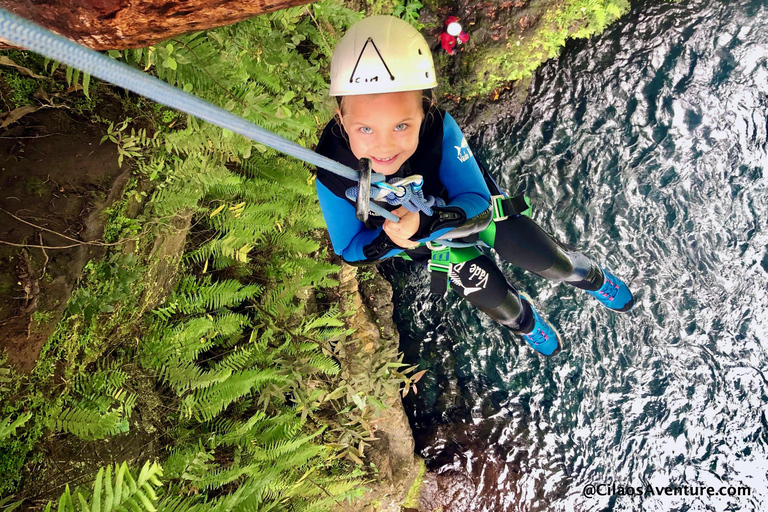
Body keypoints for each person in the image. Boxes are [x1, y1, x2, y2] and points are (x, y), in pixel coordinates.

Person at [314, 16, 634, 357]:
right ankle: (527, 323)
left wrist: (428, 221)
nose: (384, 146)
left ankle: (591, 277)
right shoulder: (333, 172)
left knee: (552, 262)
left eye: (402, 126)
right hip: (433, 244)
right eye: (365, 129)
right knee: (499, 303)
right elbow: (349, 250)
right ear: (341, 118)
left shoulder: (438, 129)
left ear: (425, 111)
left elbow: (479, 204)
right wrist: (389, 240)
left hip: (471, 215)